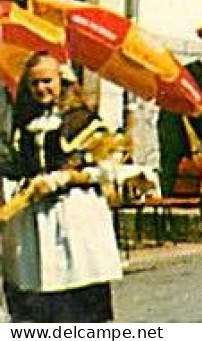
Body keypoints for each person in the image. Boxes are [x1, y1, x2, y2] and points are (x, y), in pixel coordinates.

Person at [1, 54, 122, 323]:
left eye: (47, 81)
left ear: (62, 81)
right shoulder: (24, 125)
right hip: (34, 220)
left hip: (75, 217)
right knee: (36, 295)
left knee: (79, 296)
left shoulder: (84, 120)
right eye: (35, 84)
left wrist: (65, 179)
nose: (42, 89)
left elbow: (107, 167)